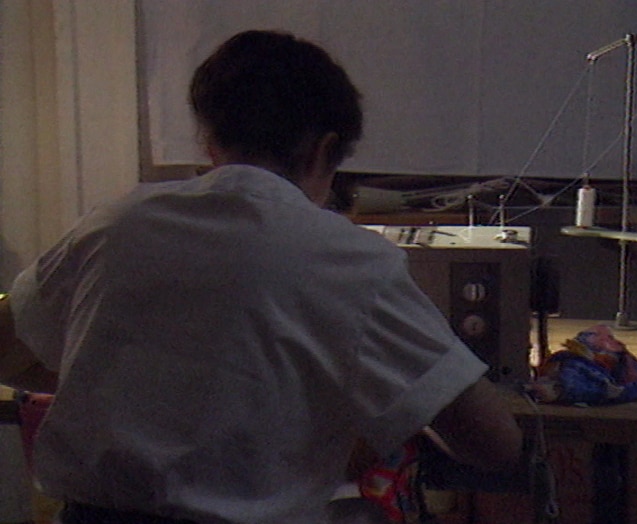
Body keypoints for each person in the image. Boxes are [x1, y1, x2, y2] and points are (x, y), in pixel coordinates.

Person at [0, 30, 522, 524]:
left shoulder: (114, 223)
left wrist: (128, 384)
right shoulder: (354, 260)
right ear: (324, 149)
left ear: (209, 140)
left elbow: (9, 348)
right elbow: (495, 443)